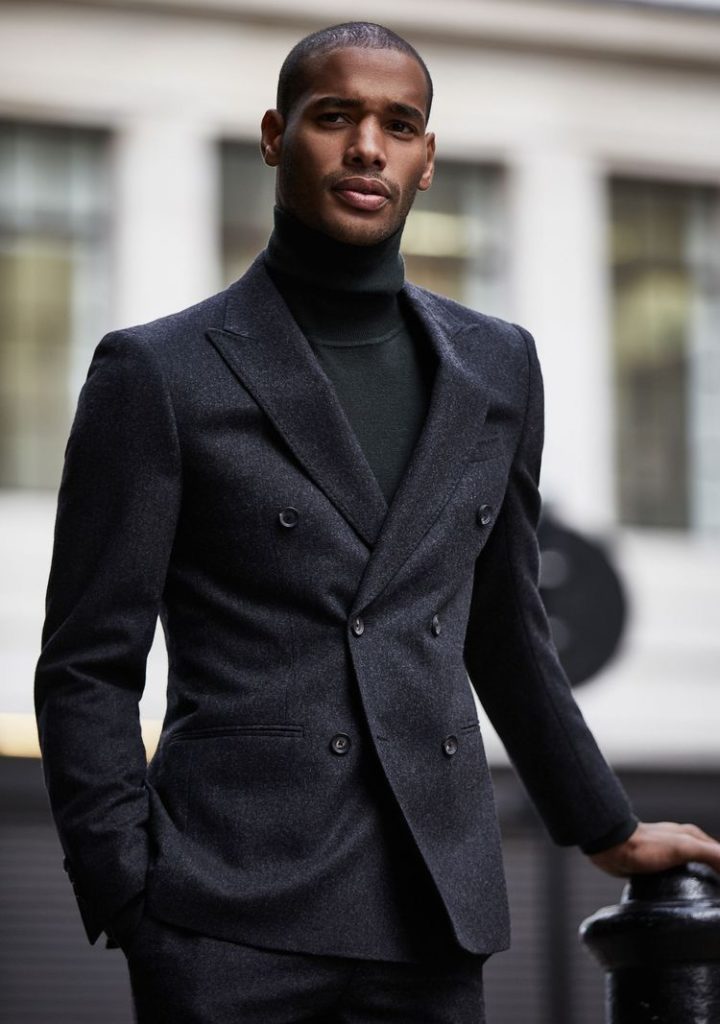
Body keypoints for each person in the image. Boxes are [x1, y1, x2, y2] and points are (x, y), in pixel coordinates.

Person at [34, 21, 720, 1024]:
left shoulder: (498, 367)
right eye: (335, 117)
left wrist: (604, 826)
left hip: (430, 913)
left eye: (399, 125)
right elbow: (87, 663)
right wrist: (127, 890)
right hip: (224, 915)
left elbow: (506, 627)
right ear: (276, 136)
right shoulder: (160, 372)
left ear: (427, 159)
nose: (368, 147)